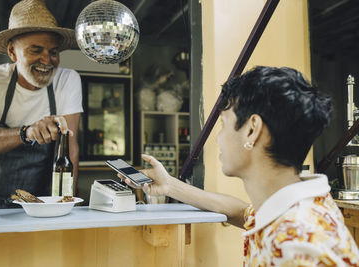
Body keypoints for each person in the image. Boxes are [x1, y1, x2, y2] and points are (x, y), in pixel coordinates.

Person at [123, 66, 359, 266]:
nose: (219, 137)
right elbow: (241, 212)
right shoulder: (285, 208)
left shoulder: (299, 245)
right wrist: (169, 186)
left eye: (224, 123)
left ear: (252, 129)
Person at [0, 0, 83, 209]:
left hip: (37, 202)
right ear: (12, 52)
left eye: (53, 52)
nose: (46, 60)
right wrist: (26, 133)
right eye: (35, 50)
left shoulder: (68, 80)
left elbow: (70, 149)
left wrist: (65, 205)